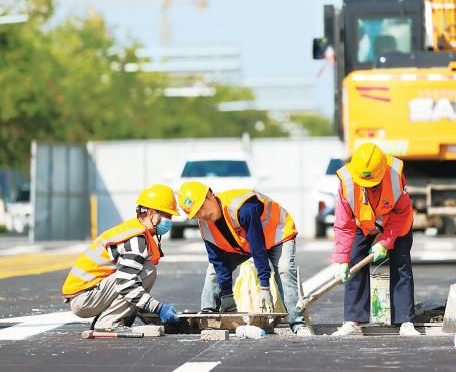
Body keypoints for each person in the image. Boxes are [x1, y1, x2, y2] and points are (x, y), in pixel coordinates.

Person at [176, 181, 313, 337]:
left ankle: (298, 323)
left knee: (285, 270)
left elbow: (257, 246)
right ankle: (209, 316)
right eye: (196, 214)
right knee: (213, 270)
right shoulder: (205, 224)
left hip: (277, 233)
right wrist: (227, 295)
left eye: (202, 207)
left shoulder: (243, 208)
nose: (202, 214)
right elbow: (218, 260)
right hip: (244, 245)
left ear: (210, 195)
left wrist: (264, 287)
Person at [62, 184, 181, 330]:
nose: (169, 220)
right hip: (84, 299)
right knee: (147, 272)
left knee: (140, 272)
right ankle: (108, 322)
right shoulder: (136, 240)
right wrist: (158, 308)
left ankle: (117, 318)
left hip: (87, 294)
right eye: (166, 215)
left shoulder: (135, 229)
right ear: (151, 212)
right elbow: (125, 284)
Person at [330, 142, 419, 337]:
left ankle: (405, 320)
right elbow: (344, 224)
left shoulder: (394, 174)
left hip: (395, 222)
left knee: (401, 262)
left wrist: (385, 241)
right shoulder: (347, 181)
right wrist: (342, 259)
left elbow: (403, 214)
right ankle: (353, 321)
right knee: (355, 260)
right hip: (363, 223)